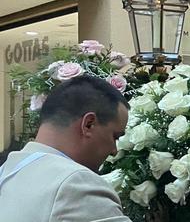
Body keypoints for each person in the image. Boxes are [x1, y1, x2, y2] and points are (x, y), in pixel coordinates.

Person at [0, 75, 131, 221]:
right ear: (88, 124)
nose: (114, 150)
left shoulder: (8, 170)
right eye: (115, 136)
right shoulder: (76, 184)